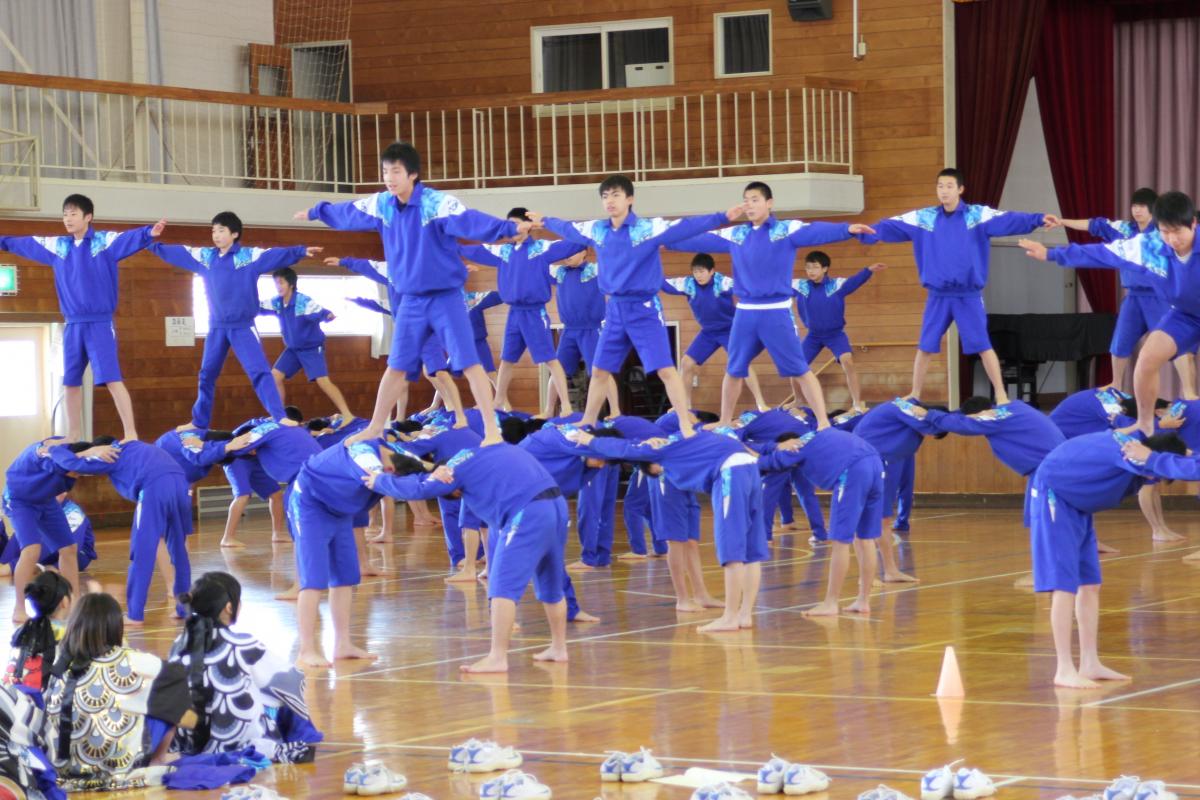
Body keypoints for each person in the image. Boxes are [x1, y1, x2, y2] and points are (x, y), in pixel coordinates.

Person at [299, 142, 524, 446]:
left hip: (446, 296)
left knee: (469, 362)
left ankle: (492, 430)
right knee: (396, 365)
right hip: (411, 300)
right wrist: (317, 211)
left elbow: (472, 221)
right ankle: (377, 426)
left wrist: (508, 229)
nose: (389, 178)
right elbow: (349, 212)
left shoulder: (437, 203)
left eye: (395, 171)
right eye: (385, 171)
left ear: (413, 174)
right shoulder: (382, 204)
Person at [528, 174, 741, 437]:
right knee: (599, 369)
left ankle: (685, 424)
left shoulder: (647, 229)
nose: (610, 201)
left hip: (644, 308)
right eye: (605, 196)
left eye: (616, 195)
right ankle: (588, 422)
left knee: (665, 368)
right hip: (615, 309)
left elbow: (686, 226)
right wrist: (546, 221)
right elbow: (569, 229)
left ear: (629, 199)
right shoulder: (597, 230)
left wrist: (721, 217)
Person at [666, 181, 874, 427]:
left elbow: (816, 230)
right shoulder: (737, 234)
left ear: (769, 203)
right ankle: (723, 423)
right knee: (734, 369)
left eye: (755, 199)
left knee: (800, 369)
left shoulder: (784, 230)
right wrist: (667, 241)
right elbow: (699, 240)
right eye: (746, 200)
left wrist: (846, 229)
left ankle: (823, 423)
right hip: (745, 312)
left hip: (776, 311)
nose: (749, 204)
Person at [858, 168, 1058, 403]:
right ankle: (915, 393)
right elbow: (890, 226)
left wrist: (1037, 219)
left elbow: (1008, 218)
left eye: (949, 186)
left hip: (968, 294)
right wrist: (865, 232)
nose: (944, 191)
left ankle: (1002, 395)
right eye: (940, 186)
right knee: (925, 345)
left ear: (960, 189)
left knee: (983, 345)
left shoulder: (976, 216)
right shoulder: (924, 218)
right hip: (937, 295)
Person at [367, 444, 572, 673]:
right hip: (557, 505)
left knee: (501, 586)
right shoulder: (485, 451)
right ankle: (558, 648)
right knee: (550, 583)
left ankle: (497, 657)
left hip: (527, 512)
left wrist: (379, 481)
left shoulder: (453, 471)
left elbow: (419, 490)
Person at [1021, 191, 1199, 438]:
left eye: (1177, 232)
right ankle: (1145, 424)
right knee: (1147, 358)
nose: (1172, 239)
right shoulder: (1149, 246)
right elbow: (1100, 253)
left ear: (1193, 224)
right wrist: (1052, 254)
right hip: (1182, 315)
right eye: (1165, 232)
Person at [566, 428, 768, 633]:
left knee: (731, 547)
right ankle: (744, 614)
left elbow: (625, 448)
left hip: (731, 473)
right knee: (752, 550)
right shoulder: (681, 440)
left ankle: (730, 617)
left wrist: (590, 440)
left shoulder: (659, 449)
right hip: (750, 468)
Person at [0, 194, 165, 441]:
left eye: (73, 214)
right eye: (65, 214)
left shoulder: (103, 242)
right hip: (72, 324)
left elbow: (127, 238)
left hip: (99, 322)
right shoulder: (58, 246)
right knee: (70, 382)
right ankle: (73, 434)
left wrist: (148, 233)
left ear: (88, 217)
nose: (68, 219)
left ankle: (130, 432)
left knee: (112, 378)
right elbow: (24, 244)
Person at [1029, 431, 1185, 688]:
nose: (1155, 481)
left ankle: (1089, 662)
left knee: (1090, 584)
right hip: (1054, 497)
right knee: (1064, 585)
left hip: (1078, 505)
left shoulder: (1135, 448)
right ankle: (1064, 668)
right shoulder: (1130, 454)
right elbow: (1169, 465)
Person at [149, 211, 320, 429]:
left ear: (235, 234)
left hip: (243, 327)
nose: (216, 235)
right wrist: (151, 242)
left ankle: (278, 415)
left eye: (221, 230)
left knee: (259, 372)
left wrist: (301, 251)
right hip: (216, 327)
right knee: (206, 374)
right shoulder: (206, 258)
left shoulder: (247, 257)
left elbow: (274, 255)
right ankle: (199, 421)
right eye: (213, 230)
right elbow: (179, 252)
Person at [43, 593, 196, 792]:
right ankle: (158, 759)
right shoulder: (129, 660)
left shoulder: (60, 660)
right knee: (169, 691)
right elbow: (176, 676)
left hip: (64, 765)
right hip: (114, 766)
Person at [168, 572, 321, 762]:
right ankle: (306, 737)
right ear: (229, 607)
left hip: (186, 740)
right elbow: (292, 679)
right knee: (284, 694)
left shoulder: (178, 644)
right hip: (236, 740)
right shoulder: (242, 645)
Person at [1057, 188, 1197, 395]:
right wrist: (1062, 222)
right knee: (1120, 340)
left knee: (1178, 342)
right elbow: (1095, 225)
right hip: (1133, 296)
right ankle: (1115, 385)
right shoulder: (1125, 229)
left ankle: (1189, 392)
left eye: (1142, 206)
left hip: (1159, 297)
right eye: (1134, 206)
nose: (1137, 211)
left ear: (1153, 211)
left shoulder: (1162, 234)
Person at [287, 435, 406, 667]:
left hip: (339, 510)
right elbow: (384, 480)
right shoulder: (363, 454)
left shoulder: (400, 452)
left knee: (344, 577)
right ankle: (306, 649)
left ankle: (343, 644)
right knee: (313, 580)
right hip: (310, 506)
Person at [48, 438, 192, 626]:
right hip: (182, 484)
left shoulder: (109, 452)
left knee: (142, 552)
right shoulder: (135, 446)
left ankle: (135, 614)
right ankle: (183, 608)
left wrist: (52, 449)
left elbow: (73, 463)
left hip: (155, 489)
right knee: (179, 553)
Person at [459, 207, 585, 416]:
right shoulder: (503, 251)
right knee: (507, 359)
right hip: (514, 313)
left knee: (550, 360)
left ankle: (566, 407)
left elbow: (578, 240)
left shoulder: (542, 249)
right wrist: (445, 244)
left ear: (527, 227)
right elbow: (470, 250)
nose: (512, 229)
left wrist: (547, 222)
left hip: (535, 312)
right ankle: (498, 400)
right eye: (509, 225)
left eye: (516, 224)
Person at [760, 429, 884, 616]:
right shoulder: (818, 436)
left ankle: (831, 602)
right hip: (876, 464)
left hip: (853, 471)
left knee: (841, 541)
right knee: (865, 538)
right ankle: (863, 600)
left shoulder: (797, 445)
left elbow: (772, 462)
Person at [852, 398, 947, 582]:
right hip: (866, 464)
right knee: (867, 519)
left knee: (883, 520)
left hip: (880, 464)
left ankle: (890, 571)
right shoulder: (905, 410)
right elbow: (934, 424)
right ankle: (867, 577)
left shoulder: (905, 419)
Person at [661, 253, 768, 411]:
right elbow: (663, 284)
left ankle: (761, 403)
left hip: (729, 330)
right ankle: (684, 406)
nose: (699, 275)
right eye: (696, 271)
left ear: (712, 271)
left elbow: (746, 285)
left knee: (741, 362)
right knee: (686, 363)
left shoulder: (722, 282)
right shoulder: (688, 284)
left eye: (702, 271)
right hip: (708, 333)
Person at [792, 252, 886, 411]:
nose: (811, 271)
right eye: (808, 267)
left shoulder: (836, 285)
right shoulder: (800, 286)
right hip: (813, 336)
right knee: (794, 366)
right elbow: (777, 283)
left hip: (835, 334)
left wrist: (869, 270)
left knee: (847, 360)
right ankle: (798, 400)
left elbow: (855, 281)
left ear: (825, 268)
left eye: (815, 267)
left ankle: (856, 402)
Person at [261, 266, 355, 419]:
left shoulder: (302, 302)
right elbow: (258, 306)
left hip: (311, 348)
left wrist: (328, 315)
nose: (278, 287)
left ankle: (348, 415)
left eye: (281, 283)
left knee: (323, 381)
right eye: (276, 283)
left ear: (291, 284)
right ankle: (278, 416)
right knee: (274, 376)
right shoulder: (277, 302)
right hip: (293, 349)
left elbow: (321, 311)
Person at [4, 437, 81, 623]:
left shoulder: (74, 464)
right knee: (32, 549)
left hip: (45, 500)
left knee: (69, 548)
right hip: (19, 500)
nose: (78, 475)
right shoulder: (45, 452)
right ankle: (20, 607)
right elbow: (38, 450)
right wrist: (43, 449)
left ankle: (75, 601)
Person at [544, 251, 621, 417]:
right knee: (557, 369)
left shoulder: (596, 269)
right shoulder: (559, 272)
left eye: (573, 251)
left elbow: (619, 262)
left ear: (584, 252)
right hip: (569, 329)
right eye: (567, 251)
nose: (568, 254)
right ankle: (549, 410)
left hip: (591, 329)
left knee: (601, 370)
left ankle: (615, 411)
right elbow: (535, 264)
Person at [5, 571, 74, 691]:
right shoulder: (69, 635)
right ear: (65, 602)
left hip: (12, 702)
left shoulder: (22, 631)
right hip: (46, 703)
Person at [0, 493, 97, 577]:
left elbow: (68, 547)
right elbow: (19, 538)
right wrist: (5, 562)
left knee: (63, 559)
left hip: (77, 554)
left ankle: (41, 567)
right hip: (44, 548)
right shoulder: (30, 506)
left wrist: (11, 566)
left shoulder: (73, 513)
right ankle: (38, 566)